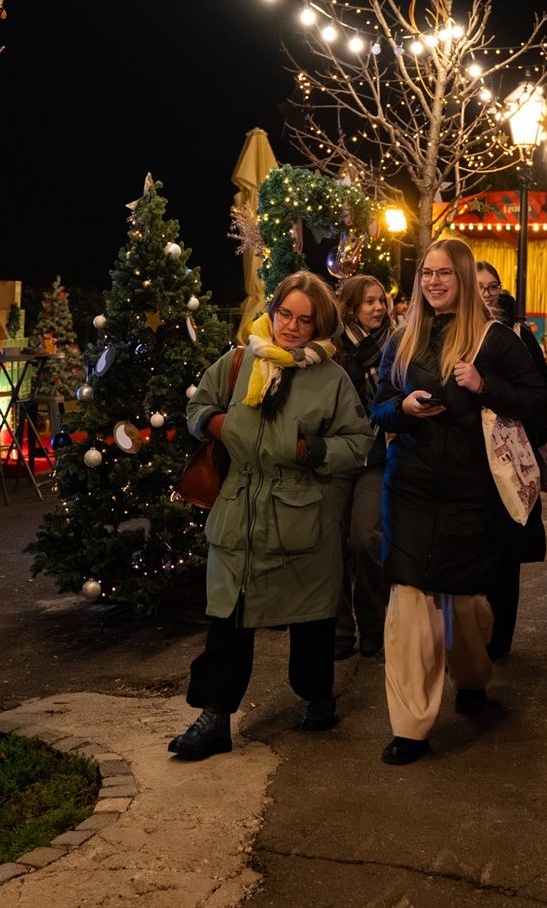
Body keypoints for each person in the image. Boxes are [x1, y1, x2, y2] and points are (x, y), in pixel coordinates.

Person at [171, 272, 375, 762]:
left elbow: (359, 443)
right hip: (238, 512)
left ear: (319, 323)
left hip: (301, 516)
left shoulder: (332, 378)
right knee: (228, 617)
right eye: (286, 314)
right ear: (275, 309)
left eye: (305, 320)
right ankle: (216, 716)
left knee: (311, 619)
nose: (291, 327)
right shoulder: (240, 360)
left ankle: (317, 696)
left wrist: (310, 450)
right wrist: (218, 422)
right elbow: (197, 407)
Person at [370, 238, 547, 765]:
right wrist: (401, 407)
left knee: (465, 601)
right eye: (427, 273)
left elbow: (542, 406)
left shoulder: (496, 339)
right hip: (410, 488)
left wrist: (485, 384)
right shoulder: (402, 340)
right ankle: (410, 726)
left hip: (473, 492)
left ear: (466, 279)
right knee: (409, 602)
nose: (433, 282)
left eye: (445, 273)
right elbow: (377, 408)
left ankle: (472, 677)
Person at [472, 260, 547, 660]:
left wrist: (489, 392)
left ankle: (497, 641)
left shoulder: (517, 334)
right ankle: (470, 643)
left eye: (494, 288)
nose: (489, 296)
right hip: (467, 463)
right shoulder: (450, 333)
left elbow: (542, 400)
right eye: (481, 288)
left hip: (506, 462)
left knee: (505, 557)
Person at [329, 273, 391, 660]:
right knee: (330, 543)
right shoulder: (333, 348)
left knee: (366, 539)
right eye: (369, 302)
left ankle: (374, 623)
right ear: (351, 308)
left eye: (381, 300)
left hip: (376, 455)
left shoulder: (396, 343)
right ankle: (338, 630)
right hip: (338, 455)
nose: (379, 308)